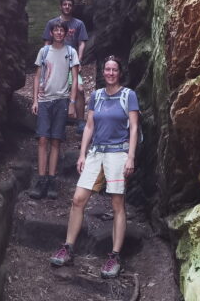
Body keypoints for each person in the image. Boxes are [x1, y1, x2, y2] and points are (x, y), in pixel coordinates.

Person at [50, 55, 139, 279]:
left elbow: (134, 128)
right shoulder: (97, 96)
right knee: (78, 199)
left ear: (120, 72)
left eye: (114, 70)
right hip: (96, 152)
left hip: (118, 153)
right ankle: (68, 247)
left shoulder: (129, 95)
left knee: (118, 203)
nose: (110, 73)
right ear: (104, 72)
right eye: (107, 69)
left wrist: (131, 157)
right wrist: (82, 154)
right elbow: (89, 126)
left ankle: (115, 256)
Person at [29, 21, 80, 200]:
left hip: (61, 100)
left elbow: (74, 77)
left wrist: (72, 102)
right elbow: (36, 77)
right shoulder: (44, 52)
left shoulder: (70, 52)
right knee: (43, 139)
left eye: (61, 30)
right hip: (44, 100)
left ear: (65, 34)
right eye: (56, 30)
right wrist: (35, 100)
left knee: (56, 141)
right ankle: (41, 179)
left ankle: (52, 180)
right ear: (51, 32)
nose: (58, 33)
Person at [43, 0, 88, 130]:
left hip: (71, 62)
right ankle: (54, 120)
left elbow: (81, 43)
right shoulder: (52, 23)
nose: (67, 7)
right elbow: (47, 43)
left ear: (72, 7)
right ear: (60, 6)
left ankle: (80, 121)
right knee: (52, 89)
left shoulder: (78, 24)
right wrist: (45, 62)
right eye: (65, 4)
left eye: (69, 5)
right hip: (55, 62)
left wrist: (79, 60)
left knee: (79, 89)